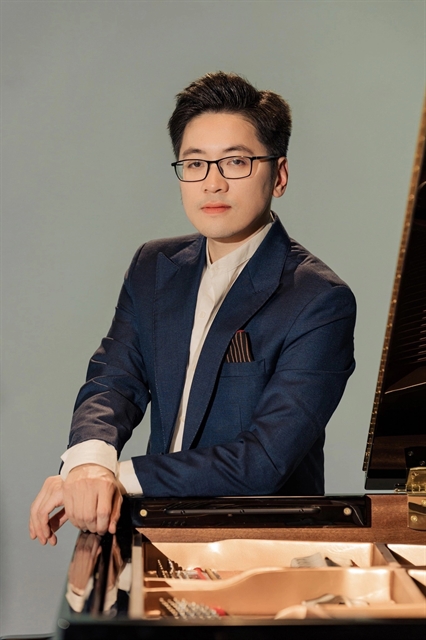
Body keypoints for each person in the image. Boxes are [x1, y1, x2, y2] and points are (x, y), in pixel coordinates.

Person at [29, 71, 356, 546]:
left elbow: (262, 461)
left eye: (236, 162)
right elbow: (113, 380)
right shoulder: (153, 265)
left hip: (260, 551)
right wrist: (87, 465)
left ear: (279, 175)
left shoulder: (318, 299)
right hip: (151, 534)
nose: (212, 183)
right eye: (195, 163)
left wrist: (114, 477)